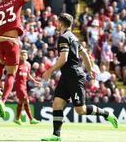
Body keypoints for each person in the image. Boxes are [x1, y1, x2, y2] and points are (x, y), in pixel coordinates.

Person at [41, 13, 118, 141]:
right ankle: (56, 136)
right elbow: (85, 55)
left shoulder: (64, 38)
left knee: (80, 110)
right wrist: (90, 69)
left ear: (61, 23)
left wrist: (50, 71)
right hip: (66, 77)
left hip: (75, 77)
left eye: (57, 22)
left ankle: (106, 114)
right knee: (57, 103)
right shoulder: (74, 37)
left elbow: (63, 58)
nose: (56, 24)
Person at [0, 0, 62, 118]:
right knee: (11, 74)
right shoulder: (16, 1)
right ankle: (3, 100)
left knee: (1, 63)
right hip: (12, 41)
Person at [13, 50, 41, 125]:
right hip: (18, 85)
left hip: (24, 85)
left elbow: (28, 75)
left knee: (21, 101)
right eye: (22, 55)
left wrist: (35, 81)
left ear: (27, 56)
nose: (23, 56)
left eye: (25, 55)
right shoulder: (17, 64)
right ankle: (31, 119)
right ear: (20, 56)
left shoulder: (28, 65)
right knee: (26, 100)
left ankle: (17, 119)